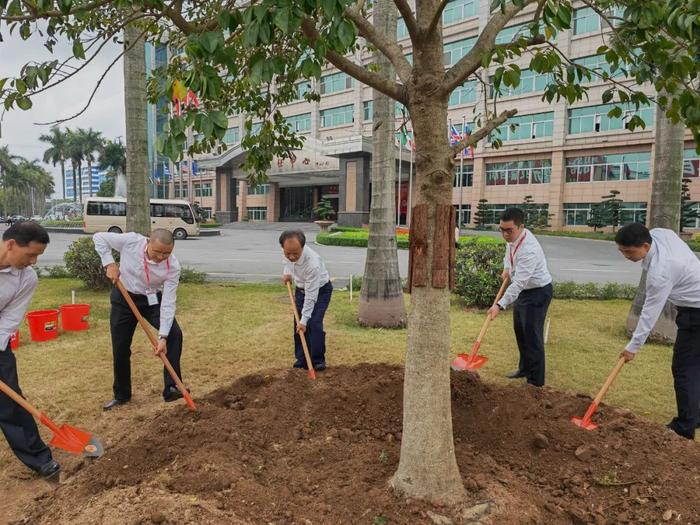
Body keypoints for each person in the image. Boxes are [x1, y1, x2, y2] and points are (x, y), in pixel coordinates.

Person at [616, 223, 700, 440]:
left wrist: (632, 347)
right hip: (694, 304)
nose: (625, 256)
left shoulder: (661, 273)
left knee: (684, 370)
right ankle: (696, 415)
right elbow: (666, 231)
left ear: (645, 245)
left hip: (696, 314)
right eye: (621, 250)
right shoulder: (659, 234)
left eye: (629, 252)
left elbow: (649, 314)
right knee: (695, 367)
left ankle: (685, 427)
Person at [94, 228, 184, 410]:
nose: (160, 257)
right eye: (157, 252)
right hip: (124, 296)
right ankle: (122, 395)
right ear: (148, 242)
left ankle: (172, 387)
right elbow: (99, 237)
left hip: (152, 301)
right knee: (120, 346)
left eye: (166, 253)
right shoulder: (131, 241)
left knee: (175, 335)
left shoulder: (173, 266)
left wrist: (163, 336)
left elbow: (168, 302)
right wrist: (109, 263)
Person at [0, 222, 60, 480]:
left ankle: (39, 458)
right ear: (11, 244)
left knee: (11, 400)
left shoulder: (26, 277)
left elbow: (9, 320)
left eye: (38, 256)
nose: (34, 262)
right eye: (31, 255)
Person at [487, 208, 553, 387]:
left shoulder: (529, 249)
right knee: (520, 331)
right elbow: (509, 252)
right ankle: (524, 368)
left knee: (532, 336)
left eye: (509, 230)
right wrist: (507, 267)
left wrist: (499, 305)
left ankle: (535, 382)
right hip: (525, 291)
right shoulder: (514, 238)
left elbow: (519, 284)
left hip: (538, 292)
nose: (505, 234)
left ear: (521, 226)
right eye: (501, 230)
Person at [280, 230, 332, 371]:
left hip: (320, 291)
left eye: (295, 254)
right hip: (300, 290)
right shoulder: (288, 251)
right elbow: (287, 262)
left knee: (313, 323)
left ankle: (317, 360)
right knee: (298, 326)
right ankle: (301, 360)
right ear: (283, 248)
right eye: (287, 253)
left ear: (302, 247)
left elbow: (311, 296)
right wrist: (287, 273)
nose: (291, 256)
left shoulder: (312, 263)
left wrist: (304, 321)